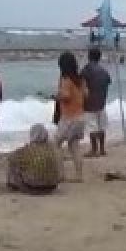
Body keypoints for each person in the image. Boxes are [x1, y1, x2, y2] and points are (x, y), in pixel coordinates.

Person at [53, 51, 88, 183]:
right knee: (74, 145)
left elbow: (66, 96)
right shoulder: (80, 79)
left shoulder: (66, 80)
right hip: (80, 117)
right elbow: (86, 94)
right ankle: (79, 175)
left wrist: (57, 96)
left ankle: (61, 174)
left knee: (56, 143)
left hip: (69, 118)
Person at [6, 124, 62, 194]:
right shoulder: (52, 149)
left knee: (13, 163)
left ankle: (11, 185)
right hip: (52, 187)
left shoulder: (27, 150)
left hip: (31, 188)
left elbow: (10, 157)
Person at [81, 48, 112, 157]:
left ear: (89, 56)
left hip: (89, 104)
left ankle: (94, 150)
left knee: (92, 128)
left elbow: (83, 86)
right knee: (101, 127)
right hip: (101, 103)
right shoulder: (104, 71)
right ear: (99, 57)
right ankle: (102, 149)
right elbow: (108, 82)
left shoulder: (86, 70)